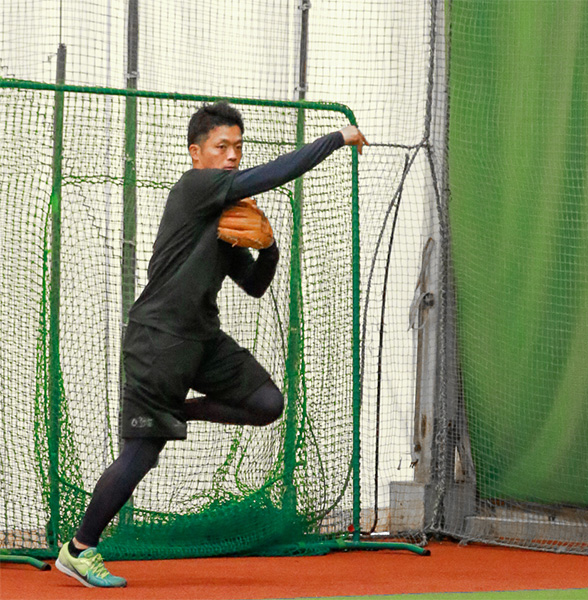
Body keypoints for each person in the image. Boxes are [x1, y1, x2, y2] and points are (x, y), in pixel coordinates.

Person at [55, 101, 368, 588]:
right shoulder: (193, 187)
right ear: (195, 153)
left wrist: (269, 249)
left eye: (238, 147)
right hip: (157, 342)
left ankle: (186, 411)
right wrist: (334, 139)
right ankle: (79, 549)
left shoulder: (224, 215)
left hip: (202, 340)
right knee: (141, 454)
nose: (231, 156)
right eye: (221, 147)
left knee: (267, 403)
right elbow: (274, 174)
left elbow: (255, 284)